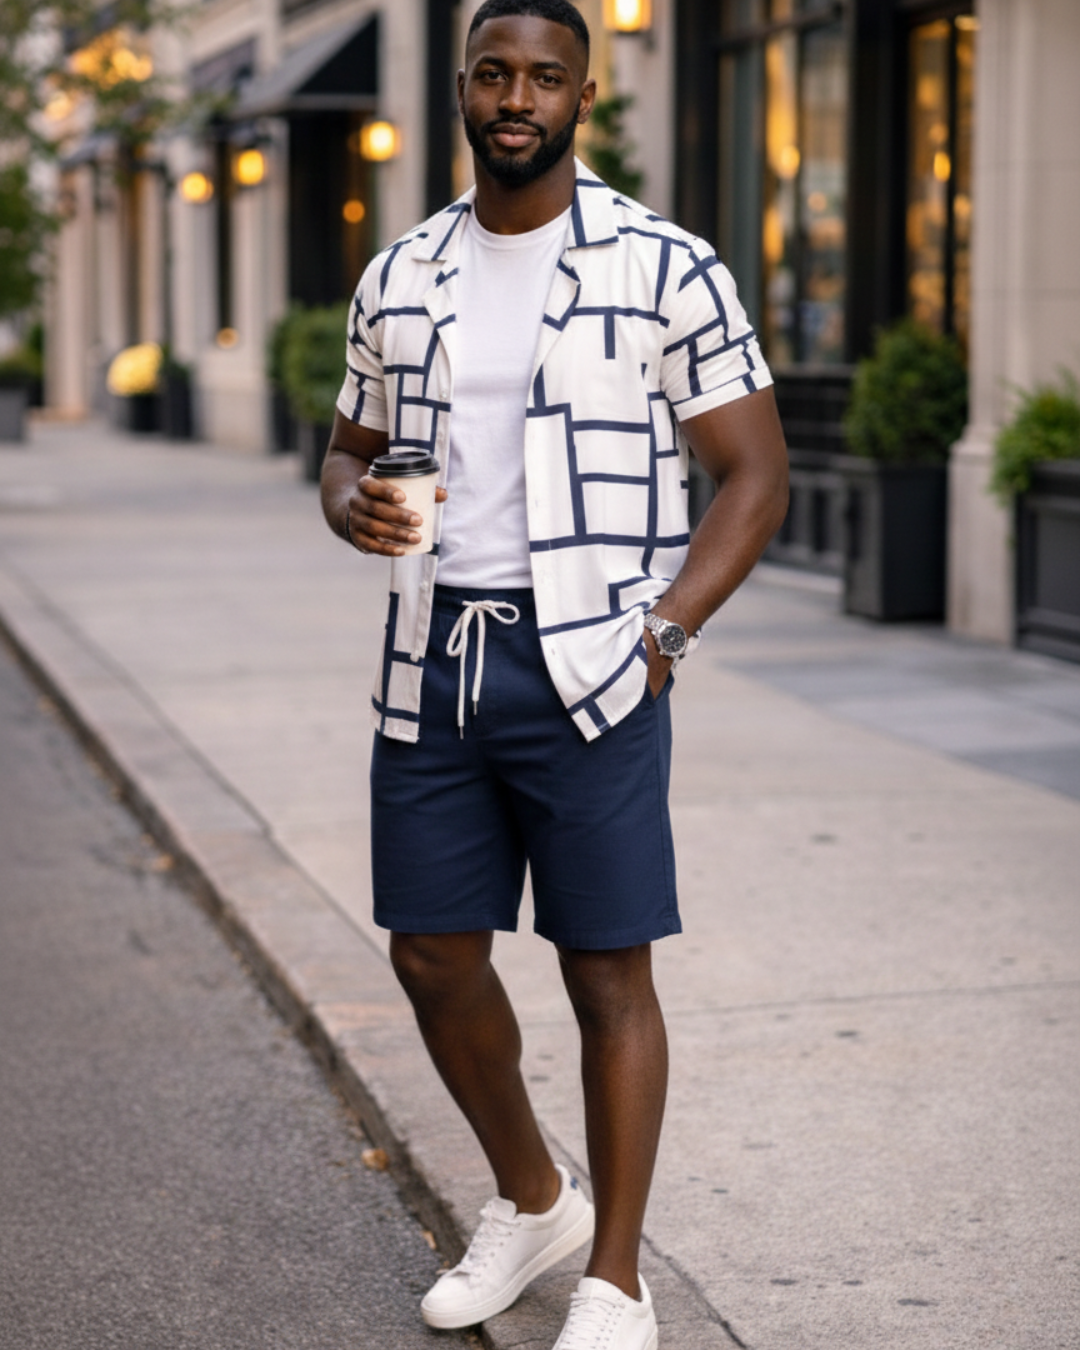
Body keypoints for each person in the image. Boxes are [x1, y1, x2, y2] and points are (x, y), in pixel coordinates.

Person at [320, 2, 788, 1346]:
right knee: (429, 954)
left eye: (543, 77)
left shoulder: (663, 265)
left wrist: (665, 635)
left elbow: (755, 475)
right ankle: (535, 1197)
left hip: (595, 659)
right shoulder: (401, 273)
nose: (516, 95)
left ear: (586, 96)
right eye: (493, 73)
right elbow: (349, 446)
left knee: (605, 975)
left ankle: (617, 1277)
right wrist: (348, 497)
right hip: (435, 661)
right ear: (463, 90)